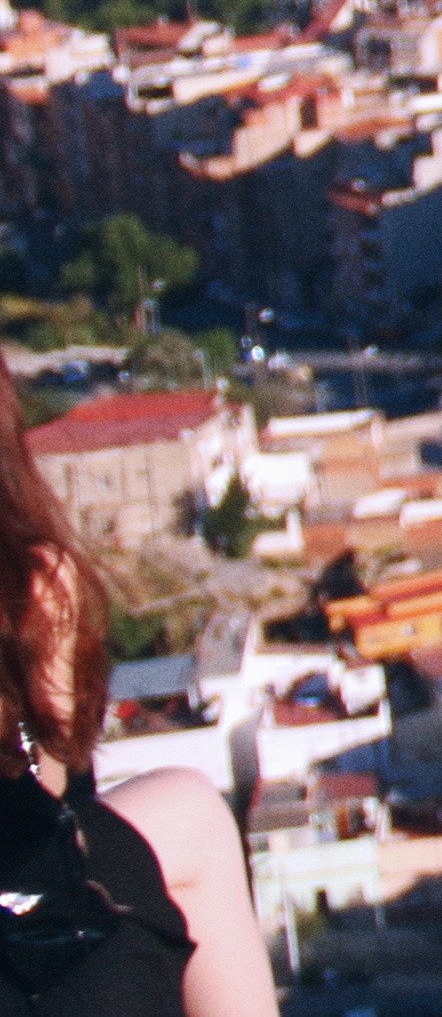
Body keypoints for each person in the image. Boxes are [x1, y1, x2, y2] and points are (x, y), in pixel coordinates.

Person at [0, 394, 273, 1017]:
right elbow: (55, 783)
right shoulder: (30, 585)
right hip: (27, 943)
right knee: (194, 813)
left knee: (186, 812)